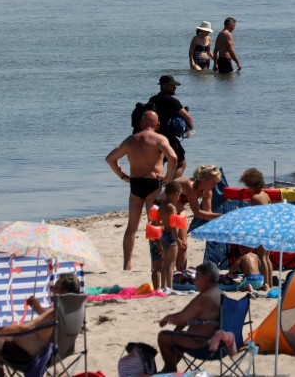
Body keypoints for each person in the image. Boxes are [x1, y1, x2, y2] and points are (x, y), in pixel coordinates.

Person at [0, 272, 81, 376]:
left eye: (55, 287)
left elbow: (23, 328)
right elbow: (51, 323)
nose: (52, 290)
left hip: (26, 357)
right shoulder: (72, 311)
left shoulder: (53, 314)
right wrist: (38, 309)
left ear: (64, 292)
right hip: (55, 356)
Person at [106, 109, 179, 270]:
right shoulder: (159, 139)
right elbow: (173, 158)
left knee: (132, 227)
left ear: (140, 124)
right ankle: (156, 264)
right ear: (158, 125)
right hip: (153, 183)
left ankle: (127, 264)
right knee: (153, 224)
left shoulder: (131, 140)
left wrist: (123, 176)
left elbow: (110, 159)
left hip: (136, 184)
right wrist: (168, 177)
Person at [156, 262, 222, 374]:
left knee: (163, 337)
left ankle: (170, 370)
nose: (194, 281)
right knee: (179, 332)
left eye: (197, 277)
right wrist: (185, 323)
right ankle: (169, 368)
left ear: (206, 279)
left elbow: (179, 318)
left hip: (204, 345)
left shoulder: (205, 297)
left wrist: (166, 317)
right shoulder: (221, 295)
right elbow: (207, 318)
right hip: (222, 346)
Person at [147, 75, 194, 177]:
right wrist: (190, 131)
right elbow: (188, 118)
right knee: (181, 163)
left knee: (159, 164)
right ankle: (171, 187)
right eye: (172, 85)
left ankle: (155, 188)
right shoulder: (173, 101)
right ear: (164, 86)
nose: (175, 87)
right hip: (168, 138)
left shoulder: (152, 99)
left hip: (153, 137)